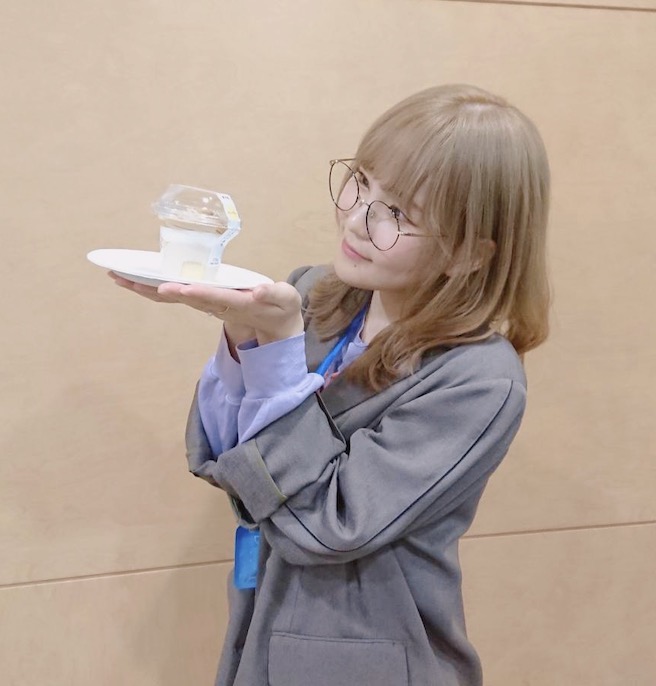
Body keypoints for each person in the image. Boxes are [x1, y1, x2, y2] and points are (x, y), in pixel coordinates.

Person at [110, 83, 550, 686]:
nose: (359, 218)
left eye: (399, 214)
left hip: (370, 655)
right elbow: (223, 456)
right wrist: (242, 333)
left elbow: (329, 525)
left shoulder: (478, 378)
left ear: (469, 255)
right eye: (361, 182)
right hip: (266, 625)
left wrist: (277, 347)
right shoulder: (314, 294)